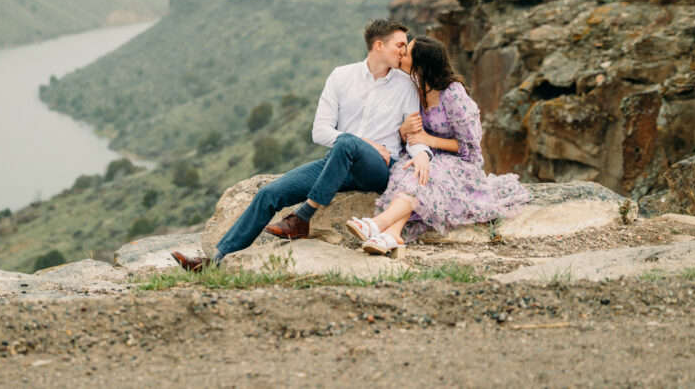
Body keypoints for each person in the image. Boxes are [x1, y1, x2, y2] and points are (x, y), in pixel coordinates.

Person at [171, 19, 432, 271]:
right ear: (378, 46)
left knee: (348, 143)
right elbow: (320, 131)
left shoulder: (406, 86)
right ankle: (215, 261)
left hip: (378, 169)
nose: (404, 50)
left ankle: (302, 217)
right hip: (337, 161)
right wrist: (366, 143)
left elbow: (415, 134)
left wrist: (422, 155)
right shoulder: (341, 76)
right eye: (399, 44)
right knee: (269, 194)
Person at [346, 36, 529, 255]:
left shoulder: (452, 93)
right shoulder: (414, 88)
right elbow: (409, 137)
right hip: (425, 155)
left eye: (408, 52)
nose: (401, 53)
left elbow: (470, 147)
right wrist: (404, 131)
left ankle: (376, 224)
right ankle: (392, 234)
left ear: (421, 63)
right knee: (409, 173)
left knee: (425, 176)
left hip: (459, 164)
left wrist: (430, 140)